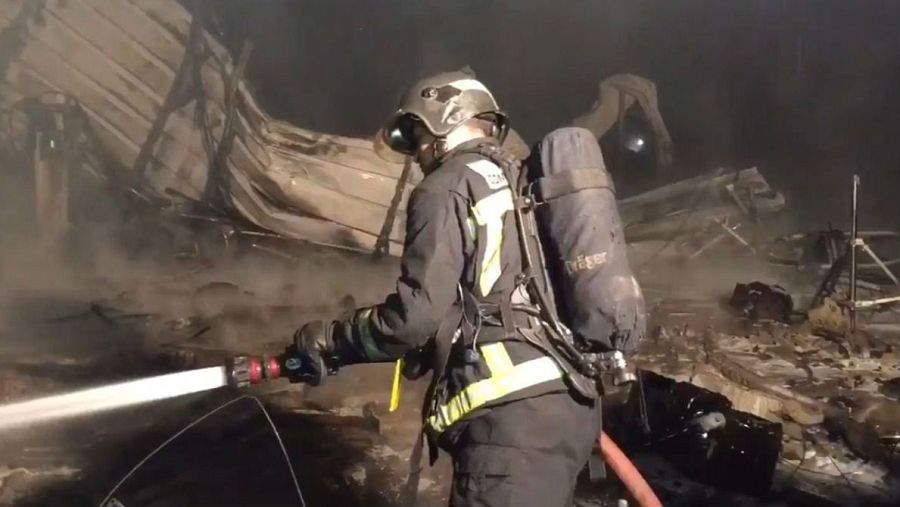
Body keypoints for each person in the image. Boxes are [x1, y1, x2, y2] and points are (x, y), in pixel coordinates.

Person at [290, 71, 601, 507]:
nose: (418, 155)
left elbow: (412, 318)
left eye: (418, 138)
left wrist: (334, 340)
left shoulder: (447, 185)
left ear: (445, 122)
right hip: (567, 409)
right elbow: (502, 299)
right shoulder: (522, 183)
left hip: (511, 425)